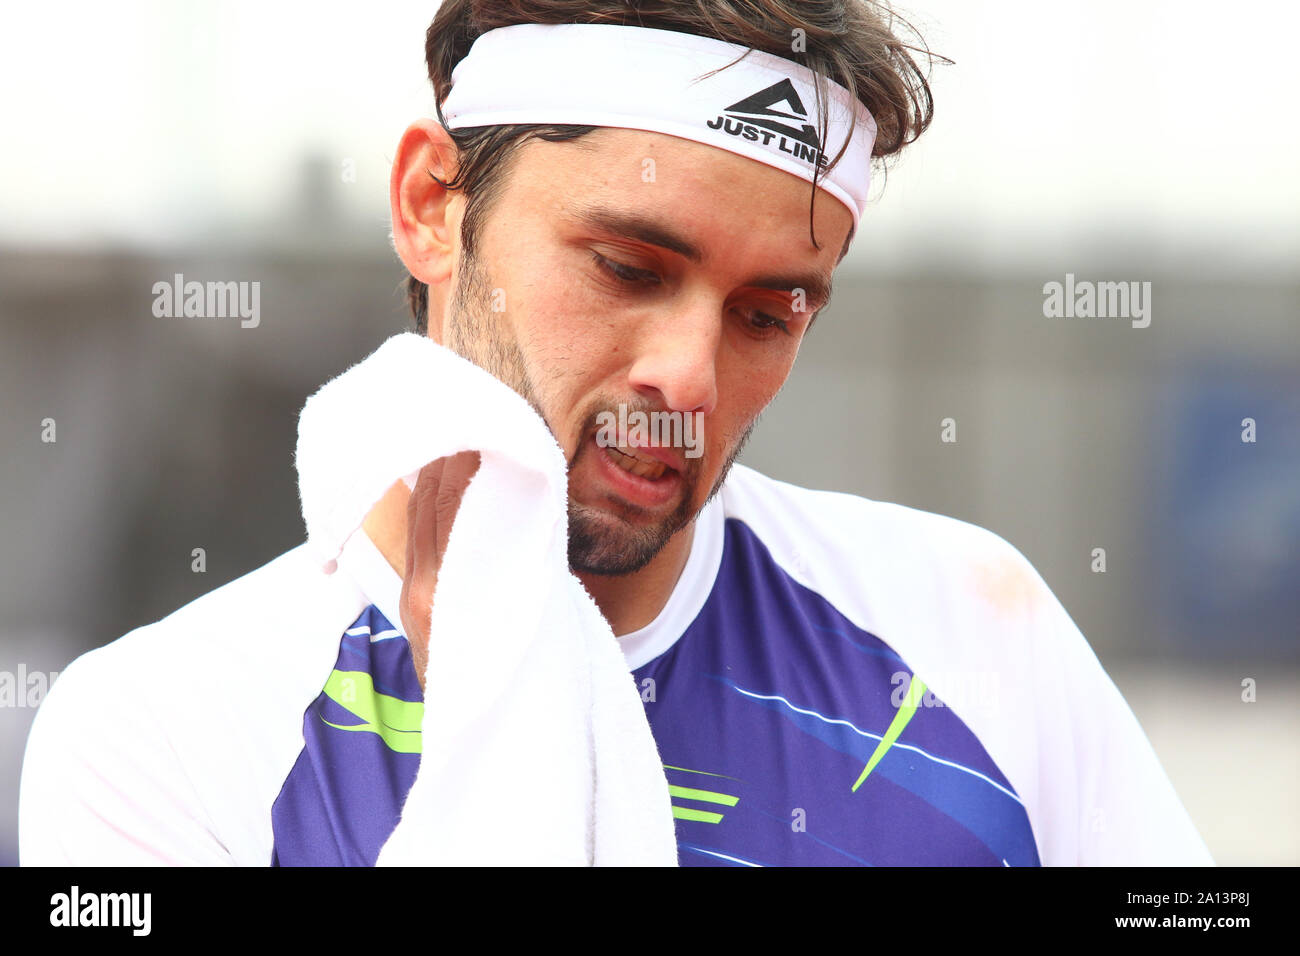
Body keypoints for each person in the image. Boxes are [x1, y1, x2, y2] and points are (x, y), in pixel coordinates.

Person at [19, 0, 1212, 867]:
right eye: (629, 267)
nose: (687, 376)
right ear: (432, 206)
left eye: (768, 310)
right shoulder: (162, 730)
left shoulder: (968, 624)